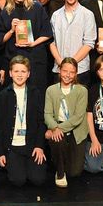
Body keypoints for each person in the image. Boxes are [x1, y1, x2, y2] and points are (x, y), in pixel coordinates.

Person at [0, 56, 49, 187]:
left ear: (28, 74)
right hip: (12, 147)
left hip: (31, 145)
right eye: (16, 71)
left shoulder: (36, 93)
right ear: (10, 73)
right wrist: (0, 152)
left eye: (23, 71)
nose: (19, 75)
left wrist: (39, 146)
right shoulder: (3, 96)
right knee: (18, 181)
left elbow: (41, 122)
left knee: (38, 179)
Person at [0, 0, 53, 86]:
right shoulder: (6, 11)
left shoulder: (37, 8)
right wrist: (12, 30)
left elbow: (47, 33)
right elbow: (0, 39)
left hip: (35, 58)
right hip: (14, 58)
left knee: (36, 93)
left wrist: (33, 43)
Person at [44, 58, 89, 188]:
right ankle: (59, 172)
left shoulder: (82, 91)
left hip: (76, 130)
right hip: (58, 128)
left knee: (74, 172)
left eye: (72, 72)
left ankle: (64, 164)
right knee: (57, 140)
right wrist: (53, 127)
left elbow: (78, 117)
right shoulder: (51, 90)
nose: (67, 75)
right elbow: (47, 114)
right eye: (65, 71)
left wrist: (57, 128)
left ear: (76, 74)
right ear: (59, 70)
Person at [49, 0, 96, 85]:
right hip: (59, 69)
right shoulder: (56, 15)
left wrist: (70, 65)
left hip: (80, 70)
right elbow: (52, 42)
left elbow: (89, 43)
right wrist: (62, 63)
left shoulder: (87, 15)